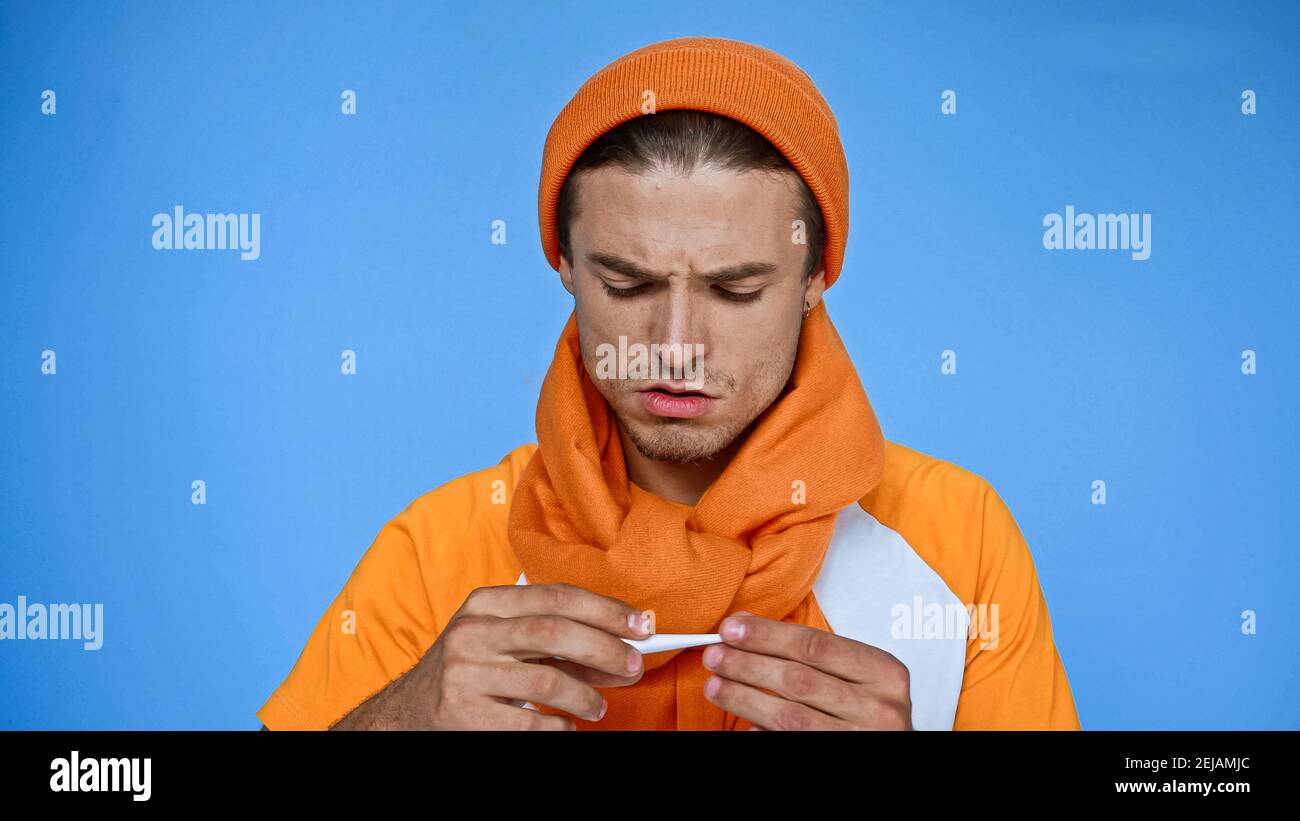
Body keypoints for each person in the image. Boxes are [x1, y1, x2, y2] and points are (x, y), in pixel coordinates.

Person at [257, 36, 1081, 731]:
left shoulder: (958, 542)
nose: (676, 347)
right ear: (565, 266)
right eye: (628, 285)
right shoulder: (437, 552)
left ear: (814, 277)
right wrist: (401, 719)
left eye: (736, 290)